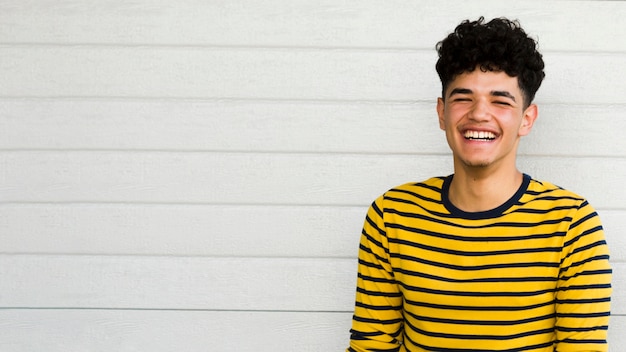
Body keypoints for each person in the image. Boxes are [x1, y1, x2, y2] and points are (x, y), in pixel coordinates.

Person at [346, 17, 612, 352]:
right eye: (463, 98)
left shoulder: (572, 224)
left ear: (526, 119)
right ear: (442, 113)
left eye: (500, 100)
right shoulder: (391, 216)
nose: (479, 114)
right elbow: (370, 345)